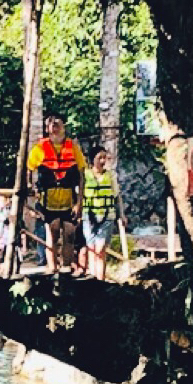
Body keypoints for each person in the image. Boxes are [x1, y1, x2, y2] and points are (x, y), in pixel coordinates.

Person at [29, 114, 87, 274]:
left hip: (69, 198)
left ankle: (66, 269)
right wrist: (31, 187)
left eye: (58, 124)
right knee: (52, 232)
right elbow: (30, 168)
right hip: (49, 199)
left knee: (69, 234)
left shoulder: (72, 147)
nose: (55, 127)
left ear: (64, 127)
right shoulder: (40, 148)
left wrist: (79, 202)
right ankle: (52, 269)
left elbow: (81, 174)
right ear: (47, 129)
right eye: (51, 125)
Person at [83, 149, 120, 279]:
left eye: (105, 158)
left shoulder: (111, 176)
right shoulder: (84, 175)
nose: (103, 161)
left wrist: (122, 214)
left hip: (107, 215)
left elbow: (116, 195)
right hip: (89, 215)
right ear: (92, 159)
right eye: (100, 158)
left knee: (100, 249)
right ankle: (93, 279)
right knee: (91, 249)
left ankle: (101, 279)